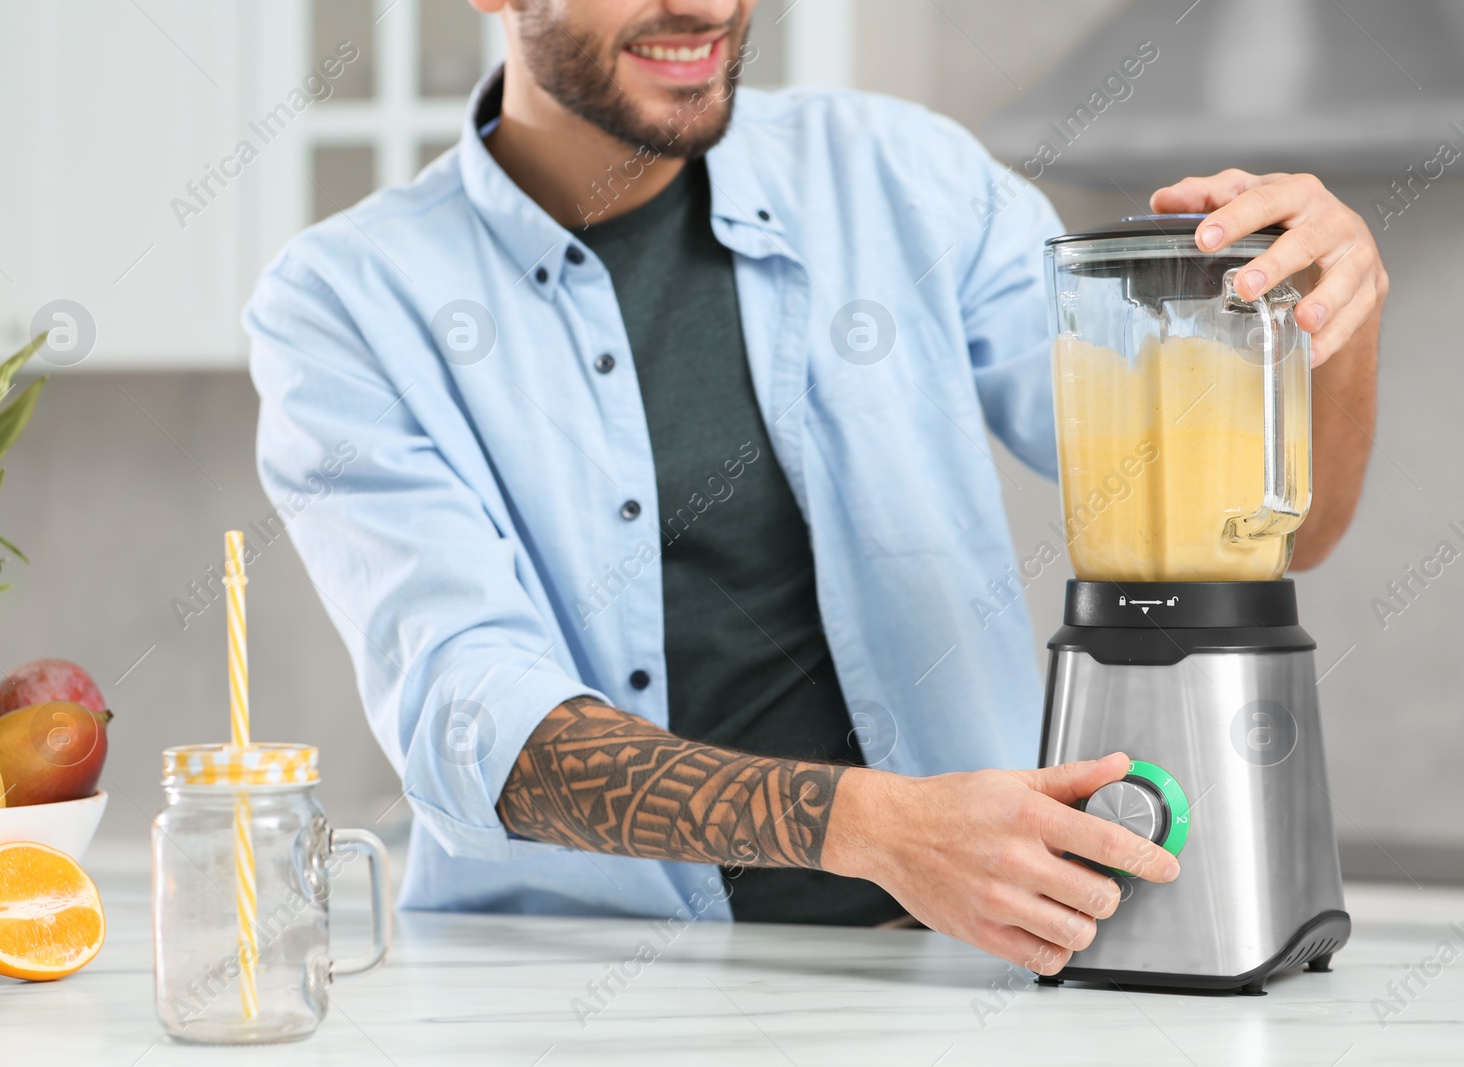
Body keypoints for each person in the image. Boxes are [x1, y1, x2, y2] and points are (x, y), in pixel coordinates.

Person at [246, 0, 1382, 975]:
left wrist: (1332, 318)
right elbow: (475, 720)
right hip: (562, 986)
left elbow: (1266, 533)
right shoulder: (347, 303)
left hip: (956, 962)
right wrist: (876, 825)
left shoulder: (907, 179)